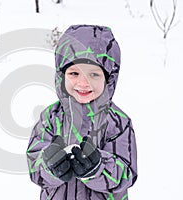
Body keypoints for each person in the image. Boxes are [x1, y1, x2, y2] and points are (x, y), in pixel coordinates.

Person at [26, 24, 137, 200]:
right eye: (74, 73)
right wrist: (50, 167)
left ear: (109, 78)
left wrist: (98, 168)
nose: (83, 83)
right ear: (62, 76)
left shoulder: (118, 123)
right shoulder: (50, 118)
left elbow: (126, 174)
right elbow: (35, 167)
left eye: (94, 74)